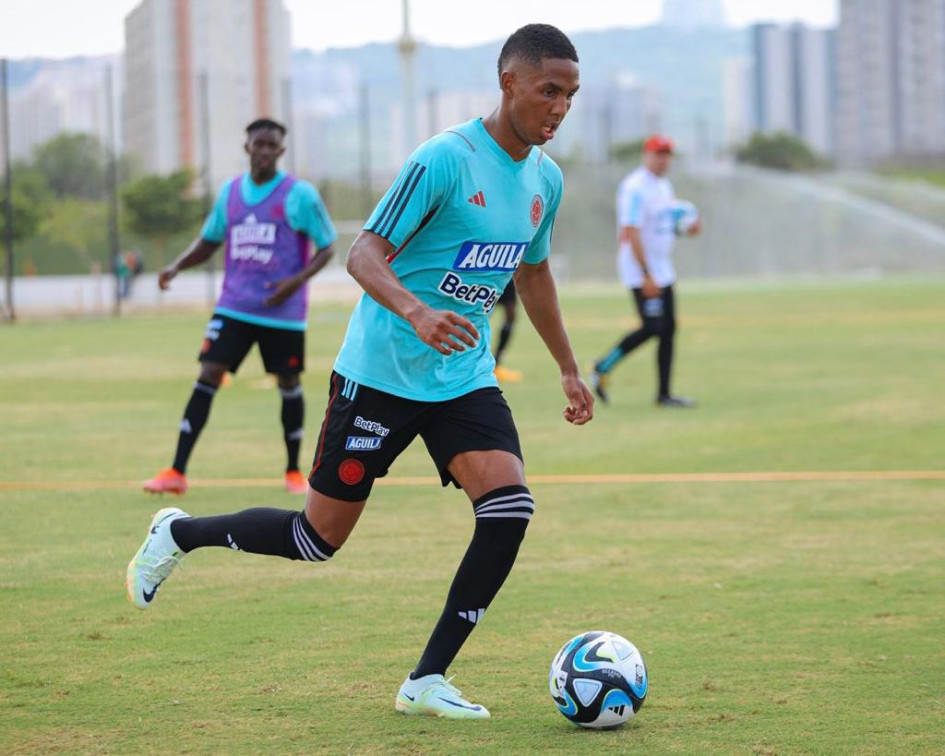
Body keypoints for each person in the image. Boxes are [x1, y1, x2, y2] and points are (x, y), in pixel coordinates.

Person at [127, 24, 591, 719]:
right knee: (315, 540)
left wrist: (568, 368)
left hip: (461, 377)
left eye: (571, 95)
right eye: (549, 90)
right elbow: (363, 254)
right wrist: (416, 311)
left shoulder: (544, 181)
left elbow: (533, 274)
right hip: (378, 373)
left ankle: (425, 680)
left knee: (508, 507)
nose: (559, 107)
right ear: (509, 83)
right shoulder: (445, 159)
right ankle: (178, 533)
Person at [142, 118, 337, 495]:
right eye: (258, 144)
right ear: (247, 147)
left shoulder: (300, 195)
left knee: (289, 383)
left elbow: (327, 246)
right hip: (234, 306)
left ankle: (293, 472)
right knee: (208, 373)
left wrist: (295, 281)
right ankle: (176, 471)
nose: (264, 151)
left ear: (281, 150)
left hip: (283, 313)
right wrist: (177, 266)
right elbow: (209, 241)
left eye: (272, 145)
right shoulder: (230, 193)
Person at [590, 134, 701, 407]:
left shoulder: (664, 186)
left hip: (663, 268)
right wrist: (646, 274)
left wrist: (687, 229)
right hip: (641, 269)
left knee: (668, 328)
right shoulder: (635, 187)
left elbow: (664, 225)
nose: (663, 160)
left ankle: (664, 394)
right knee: (652, 327)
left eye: (667, 155)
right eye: (658, 154)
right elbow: (631, 231)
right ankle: (602, 367)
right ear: (646, 155)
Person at [492, 281, 524, 382]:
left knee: (511, 315)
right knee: (481, 312)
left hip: (506, 277)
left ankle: (496, 364)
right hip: (488, 277)